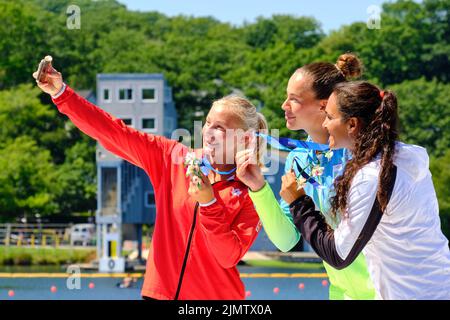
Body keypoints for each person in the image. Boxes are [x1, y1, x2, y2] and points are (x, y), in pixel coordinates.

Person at [32, 60, 267, 300]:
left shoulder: (253, 191)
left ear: (245, 139)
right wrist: (62, 94)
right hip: (158, 294)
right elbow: (114, 132)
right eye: (208, 122)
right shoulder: (173, 158)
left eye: (220, 128)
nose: (208, 132)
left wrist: (209, 204)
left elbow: (228, 256)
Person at [281, 81, 450, 299]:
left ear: (352, 124)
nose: (324, 125)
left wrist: (298, 203)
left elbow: (338, 255)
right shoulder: (405, 157)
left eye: (330, 117)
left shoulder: (373, 176)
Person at [236, 53, 377, 299]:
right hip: (341, 293)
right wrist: (258, 188)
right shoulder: (299, 159)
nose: (284, 106)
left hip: (387, 290)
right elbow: (286, 240)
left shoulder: (363, 153)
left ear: (325, 105)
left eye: (294, 99)